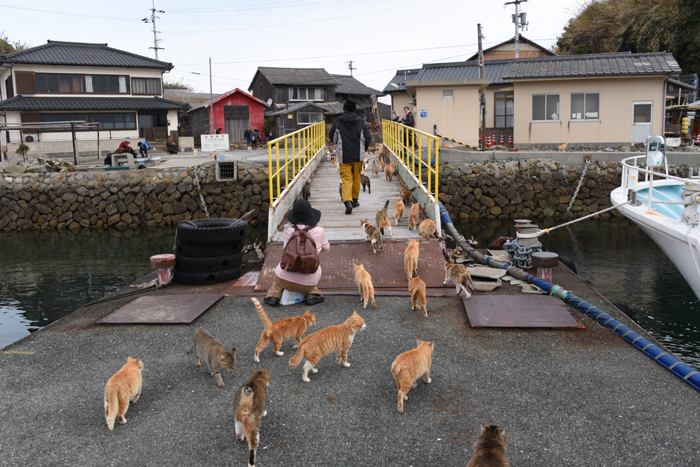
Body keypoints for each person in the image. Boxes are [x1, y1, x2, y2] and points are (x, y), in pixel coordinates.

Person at [265, 199, 330, 307]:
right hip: (309, 283)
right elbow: (326, 248)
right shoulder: (319, 231)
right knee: (314, 265)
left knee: (281, 265)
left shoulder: (288, 230)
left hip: (285, 281)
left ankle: (273, 295)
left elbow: (286, 249)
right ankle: (311, 293)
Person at [329, 100, 370, 215]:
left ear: (343, 110)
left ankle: (347, 201)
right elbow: (367, 138)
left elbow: (333, 138)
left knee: (346, 180)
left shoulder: (338, 121)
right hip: (358, 156)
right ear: (355, 110)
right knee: (357, 178)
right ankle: (355, 201)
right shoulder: (361, 122)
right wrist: (364, 148)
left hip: (344, 156)